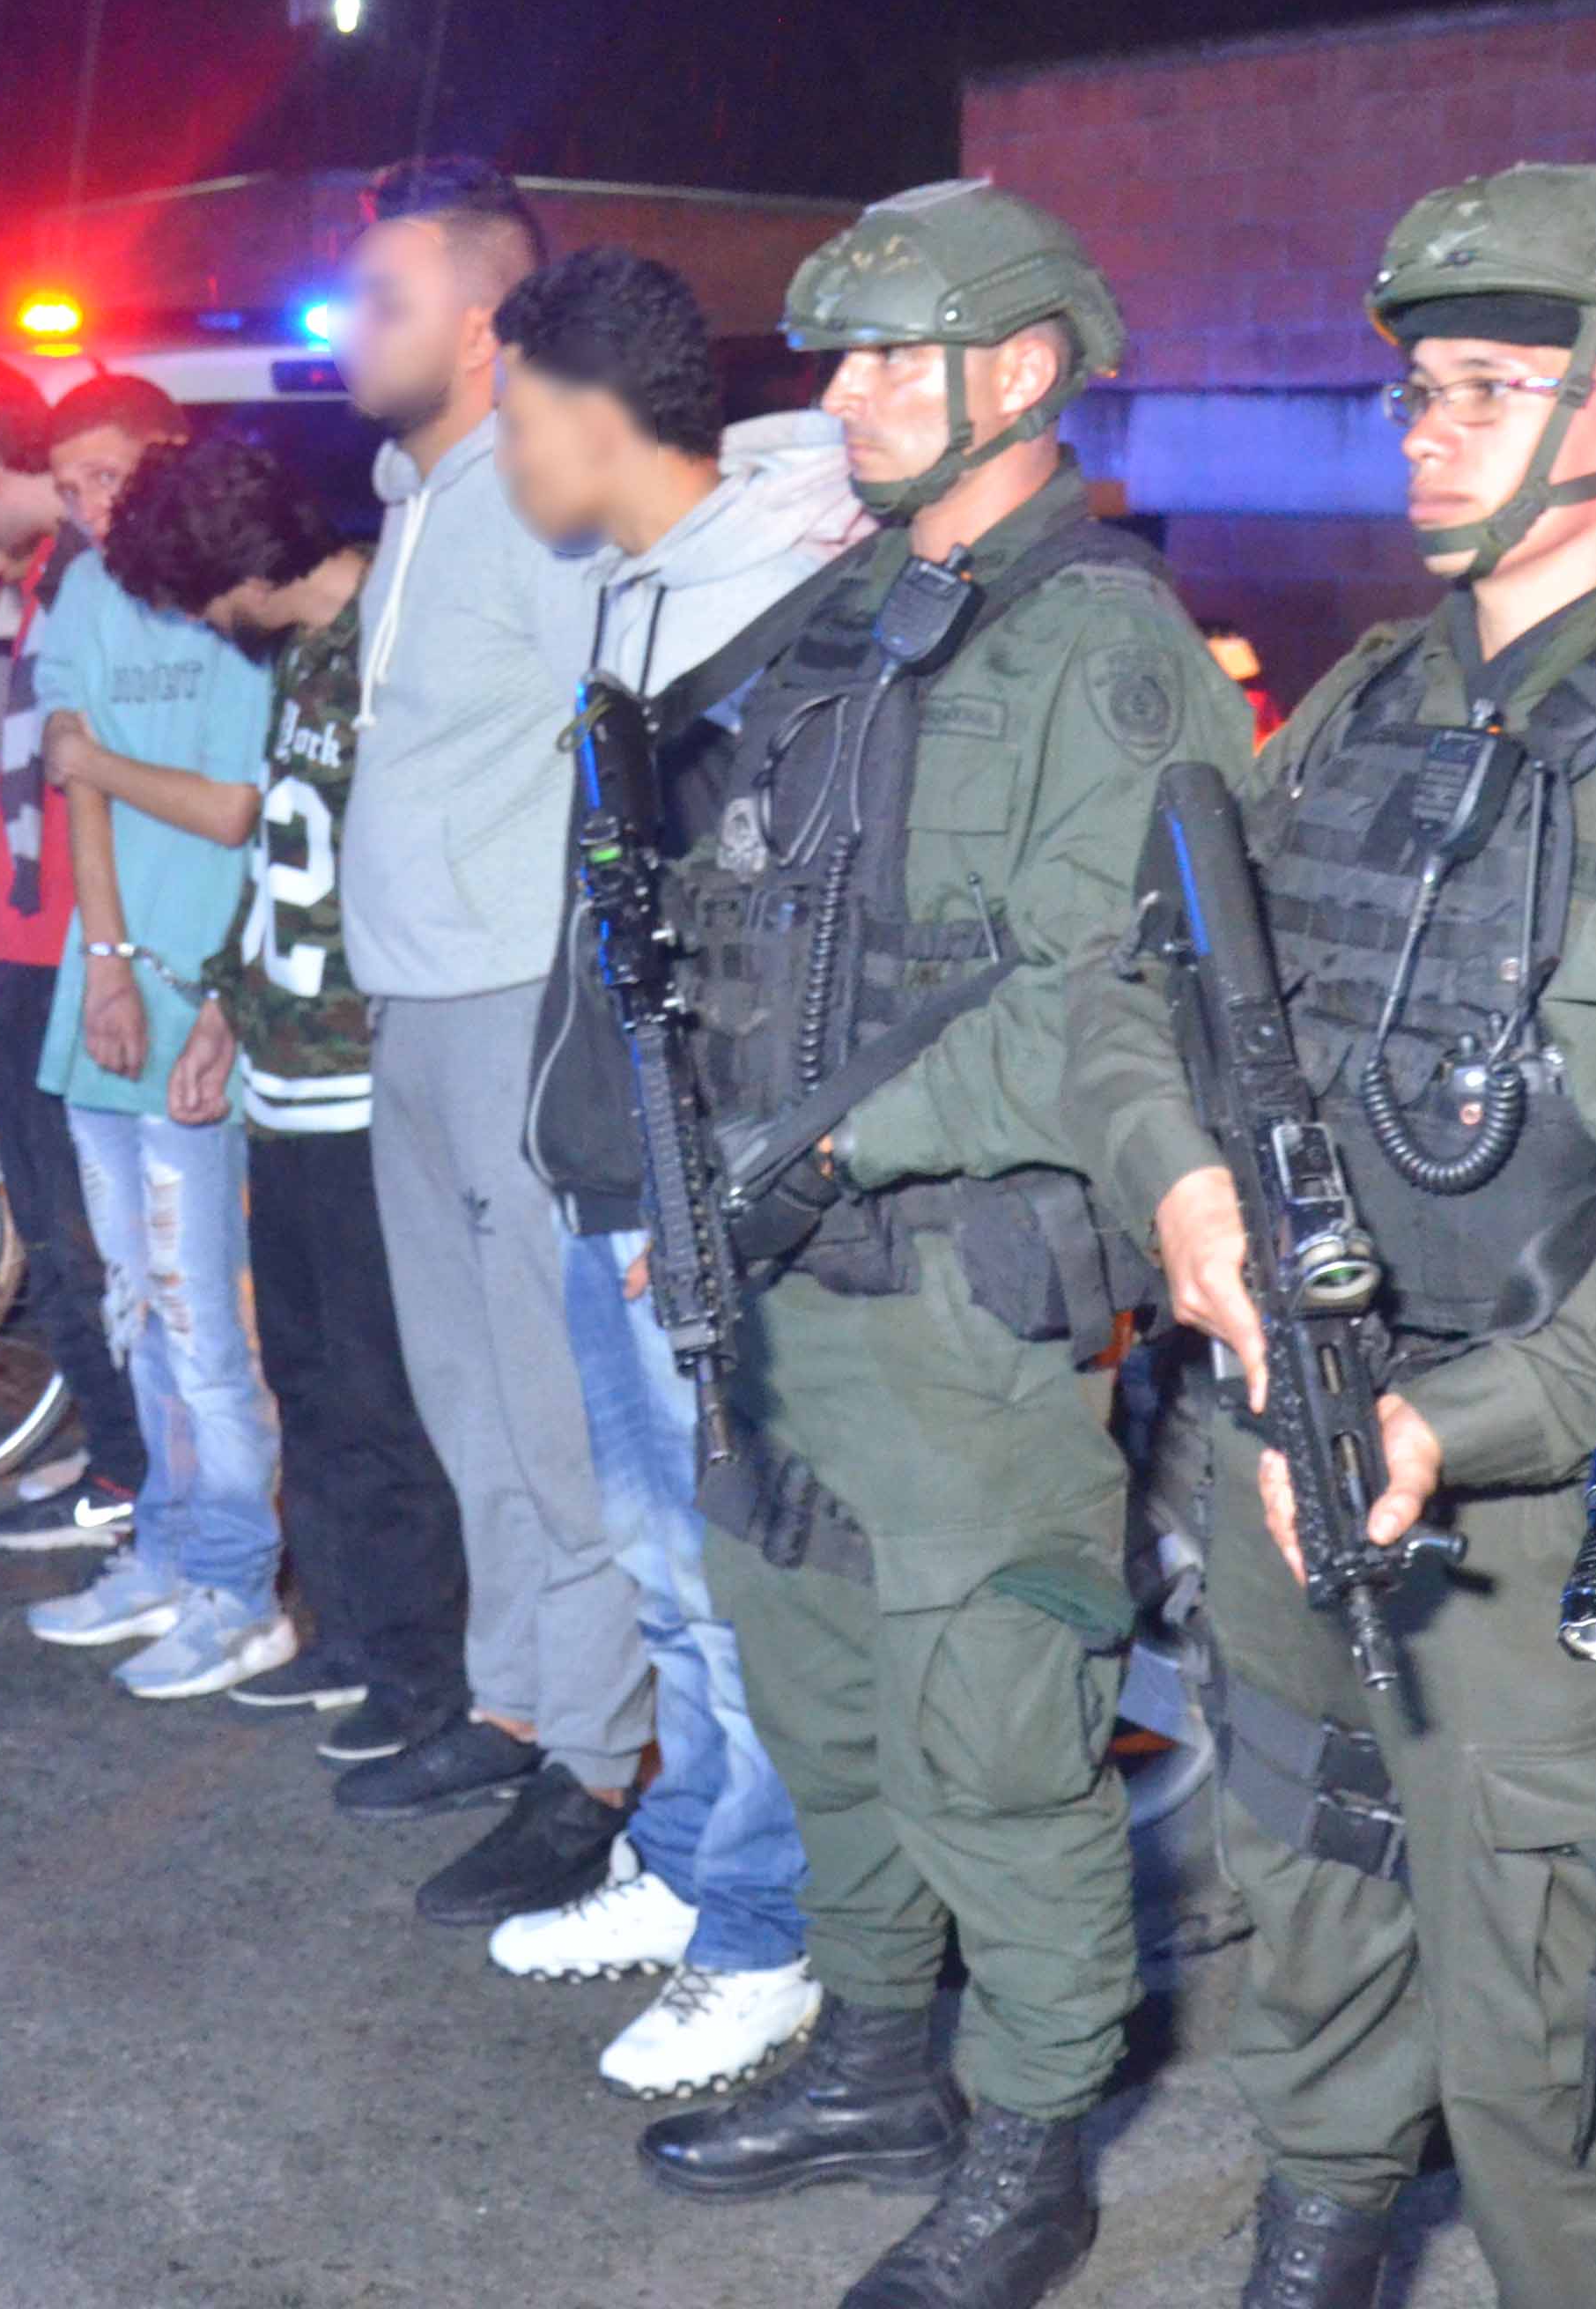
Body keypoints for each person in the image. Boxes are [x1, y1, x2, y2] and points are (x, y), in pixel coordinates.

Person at [1063, 167, 1596, 2309]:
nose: (1426, 426)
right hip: (1288, 1422)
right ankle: (1318, 2251)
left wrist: (1457, 1423)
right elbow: (1138, 987)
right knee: (1311, 1901)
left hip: (1553, 1524)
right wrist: (1181, 1187)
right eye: (1418, 388)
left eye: (1489, 385)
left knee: (1568, 2073)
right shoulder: (1370, 705)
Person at [637, 183, 1253, 2309]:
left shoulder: (1104, 643)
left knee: (993, 1739)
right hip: (784, 1280)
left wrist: (828, 1144)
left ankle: (1032, 2143)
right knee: (818, 1709)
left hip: (969, 1301)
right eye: (849, 356)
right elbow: (751, 917)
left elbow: (1101, 997)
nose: (857, 393)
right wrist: (703, 1173)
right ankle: (881, 2053)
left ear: (1029, 368)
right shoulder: (849, 618)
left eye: (907, 353)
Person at [494, 245, 868, 2101]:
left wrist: (691, 1190)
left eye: (510, 416)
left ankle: (765, 1940)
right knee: (665, 1579)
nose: (501, 456)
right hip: (604, 1172)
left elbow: (769, 973)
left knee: (728, 1589)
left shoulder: (779, 620)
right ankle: (697, 1864)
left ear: (577, 412)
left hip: (683, 1192)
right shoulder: (639, 598)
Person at [329, 156, 653, 1935]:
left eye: (376, 300)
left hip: (521, 1004)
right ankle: (515, 1702)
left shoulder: (535, 509)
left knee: (554, 1404)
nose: (345, 330)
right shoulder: (419, 500)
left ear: (473, 326)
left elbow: (619, 726)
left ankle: (598, 1767)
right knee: (468, 1400)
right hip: (417, 1002)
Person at [109, 440, 477, 1755]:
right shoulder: (310, 658)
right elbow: (286, 858)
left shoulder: (404, 634)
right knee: (310, 1383)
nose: (202, 624)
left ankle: (428, 1677)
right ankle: (353, 1638)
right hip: (287, 1077)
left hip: (372, 1095)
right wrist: (224, 1000)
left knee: (386, 1403)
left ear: (238, 568)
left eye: (196, 593)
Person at [6, 393, 298, 1705]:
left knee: (200, 1317)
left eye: (110, 473)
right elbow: (78, 789)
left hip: (207, 996)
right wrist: (110, 963)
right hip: (110, 995)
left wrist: (102, 767)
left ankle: (239, 1583)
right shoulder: (82, 597)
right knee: (135, 1308)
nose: (89, 504)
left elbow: (236, 810)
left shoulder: (218, 597)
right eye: (69, 481)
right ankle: (170, 1552)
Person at [0, 359, 143, 1554]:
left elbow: (85, 794)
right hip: (26, 937)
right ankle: (112, 1446)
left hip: (67, 945)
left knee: (79, 1227)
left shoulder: (96, 585)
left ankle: (129, 1468)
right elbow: (11, 790)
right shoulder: (43, 586)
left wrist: (62, 949)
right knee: (53, 1218)